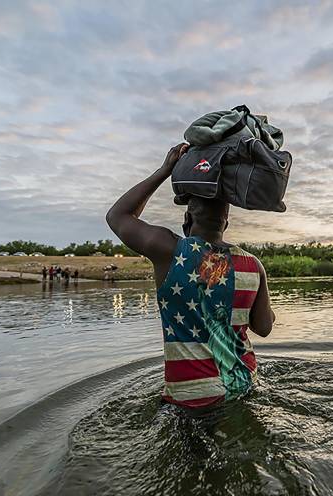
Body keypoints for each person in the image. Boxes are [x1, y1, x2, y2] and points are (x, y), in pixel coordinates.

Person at [106, 143, 275, 409]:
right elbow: (264, 328)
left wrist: (165, 170)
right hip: (244, 381)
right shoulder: (253, 264)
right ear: (226, 223)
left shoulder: (169, 250)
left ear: (187, 218)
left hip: (193, 396)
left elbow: (118, 215)